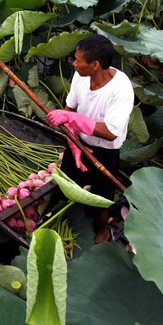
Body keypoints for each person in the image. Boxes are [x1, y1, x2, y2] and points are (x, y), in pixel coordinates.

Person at [46, 34, 134, 244]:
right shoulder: (80, 76)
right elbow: (70, 107)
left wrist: (71, 118)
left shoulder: (121, 89)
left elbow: (111, 131)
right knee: (65, 181)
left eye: (78, 61)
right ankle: (57, 217)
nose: (74, 64)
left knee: (101, 199)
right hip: (79, 141)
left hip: (105, 150)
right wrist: (74, 143)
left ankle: (102, 232)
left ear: (95, 65)